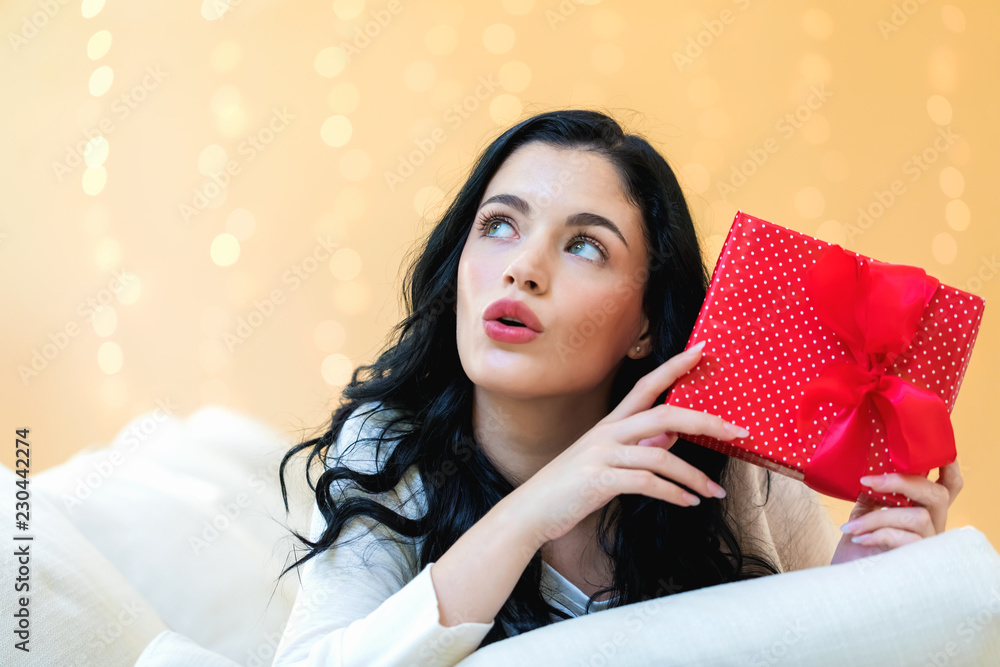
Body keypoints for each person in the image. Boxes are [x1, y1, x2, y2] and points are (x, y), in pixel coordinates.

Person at [270, 108, 963, 666]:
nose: (523, 268)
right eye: (499, 226)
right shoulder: (391, 448)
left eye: (584, 246)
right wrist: (535, 508)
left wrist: (865, 589)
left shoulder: (730, 461)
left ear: (643, 326)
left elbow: (816, 644)